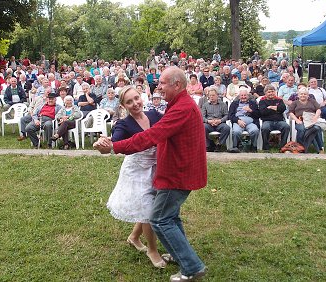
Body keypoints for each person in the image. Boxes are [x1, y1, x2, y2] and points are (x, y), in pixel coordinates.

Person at [94, 66, 207, 281]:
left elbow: (151, 136)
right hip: (175, 171)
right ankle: (180, 256)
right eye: (129, 101)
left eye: (163, 83)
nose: (158, 86)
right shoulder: (178, 105)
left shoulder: (180, 108)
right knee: (170, 216)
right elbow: (120, 136)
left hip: (177, 174)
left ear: (178, 85)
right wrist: (109, 142)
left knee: (159, 219)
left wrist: (112, 148)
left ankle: (192, 268)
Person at [104, 86, 167, 269]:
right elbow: (115, 142)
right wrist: (106, 143)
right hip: (136, 170)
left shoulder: (155, 115)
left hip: (155, 167)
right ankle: (152, 250)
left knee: (148, 206)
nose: (135, 104)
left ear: (142, 97)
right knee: (147, 210)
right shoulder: (123, 124)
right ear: (124, 105)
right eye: (129, 102)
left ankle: (133, 237)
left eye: (136, 98)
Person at [288, 87, 324, 153]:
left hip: (311, 120)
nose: (303, 95)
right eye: (301, 94)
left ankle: (320, 147)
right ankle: (301, 146)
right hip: (300, 120)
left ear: (308, 95)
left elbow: (318, 109)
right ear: (298, 95)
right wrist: (296, 120)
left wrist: (315, 117)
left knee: (317, 128)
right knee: (302, 129)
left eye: (305, 94)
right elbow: (290, 112)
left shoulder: (312, 101)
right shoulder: (295, 103)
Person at [259, 84, 290, 151]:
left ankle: (283, 147)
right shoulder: (262, 101)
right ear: (265, 93)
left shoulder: (279, 100)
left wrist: (271, 107)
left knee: (286, 127)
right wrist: (276, 109)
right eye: (269, 92)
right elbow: (263, 112)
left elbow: (283, 108)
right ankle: (266, 147)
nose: (271, 93)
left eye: (272, 91)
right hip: (267, 121)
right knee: (265, 128)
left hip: (279, 121)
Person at [228, 88, 259, 153]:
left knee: (255, 130)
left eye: (245, 95)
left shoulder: (253, 103)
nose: (243, 97)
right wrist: (238, 121)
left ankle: (253, 147)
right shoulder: (234, 104)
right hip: (238, 121)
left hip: (250, 122)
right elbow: (230, 115)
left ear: (248, 96)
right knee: (236, 131)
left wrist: (251, 110)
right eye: (242, 95)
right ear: (239, 97)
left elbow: (258, 114)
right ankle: (235, 147)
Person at [202, 87, 230, 152]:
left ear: (217, 95)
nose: (211, 97)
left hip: (219, 123)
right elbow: (202, 117)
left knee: (226, 128)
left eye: (213, 95)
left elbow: (227, 115)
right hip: (209, 124)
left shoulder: (223, 104)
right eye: (210, 95)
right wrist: (208, 121)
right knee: (203, 127)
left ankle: (219, 145)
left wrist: (220, 120)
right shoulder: (205, 105)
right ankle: (208, 146)